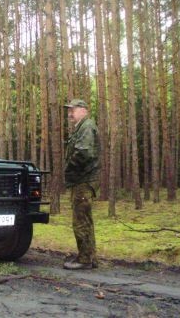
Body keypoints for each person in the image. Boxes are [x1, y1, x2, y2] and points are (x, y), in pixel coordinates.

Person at [63, 99, 101, 270]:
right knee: (85, 219)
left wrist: (69, 168)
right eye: (69, 110)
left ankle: (84, 259)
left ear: (83, 110)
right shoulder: (83, 127)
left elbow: (83, 153)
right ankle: (90, 257)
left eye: (73, 110)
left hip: (83, 180)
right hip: (83, 180)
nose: (70, 113)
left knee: (80, 220)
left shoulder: (86, 127)